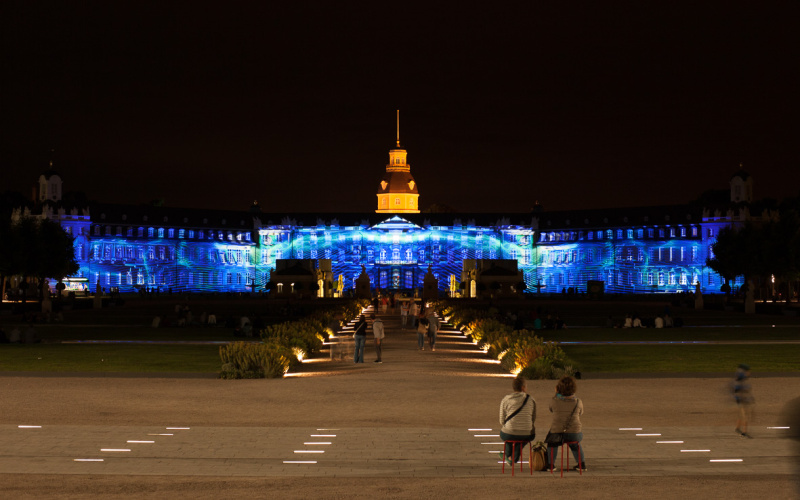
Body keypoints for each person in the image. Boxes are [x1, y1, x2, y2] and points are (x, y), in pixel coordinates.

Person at [547, 376, 586, 471]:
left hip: (557, 432)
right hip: (574, 433)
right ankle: (581, 464)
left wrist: (556, 394)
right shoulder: (578, 402)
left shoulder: (554, 401)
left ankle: (550, 465)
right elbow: (581, 413)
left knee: (552, 443)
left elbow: (551, 409)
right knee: (575, 444)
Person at [499, 376, 536, 466]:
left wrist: (509, 426)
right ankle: (512, 457)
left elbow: (501, 420)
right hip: (527, 433)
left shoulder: (506, 399)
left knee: (507, 436)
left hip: (509, 433)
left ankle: (509, 456)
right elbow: (533, 418)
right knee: (523, 439)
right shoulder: (531, 400)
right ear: (523, 388)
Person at [734, 364, 754, 438]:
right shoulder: (740, 382)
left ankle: (737, 428)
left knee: (741, 415)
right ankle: (744, 432)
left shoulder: (742, 380)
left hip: (741, 400)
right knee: (745, 416)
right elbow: (739, 392)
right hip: (741, 401)